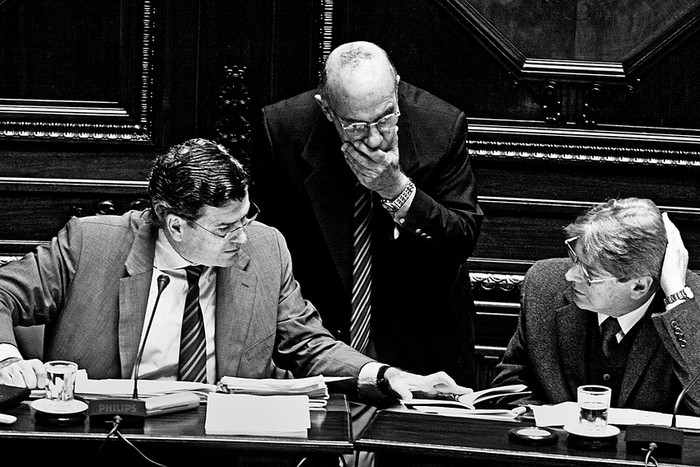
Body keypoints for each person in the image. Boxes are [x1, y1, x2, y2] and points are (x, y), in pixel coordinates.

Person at [0, 138, 468, 406]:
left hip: (223, 444)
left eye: (245, 216)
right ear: (175, 223)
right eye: (225, 227)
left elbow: (307, 342)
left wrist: (385, 374)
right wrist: (8, 362)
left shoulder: (266, 248)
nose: (243, 236)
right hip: (106, 435)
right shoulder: (92, 243)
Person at [255, 41, 483, 387]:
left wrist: (397, 191)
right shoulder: (283, 128)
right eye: (357, 127)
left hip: (425, 341)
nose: (375, 139)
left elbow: (461, 238)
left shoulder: (440, 126)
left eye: (385, 118)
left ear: (396, 87)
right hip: (319, 342)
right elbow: (268, 247)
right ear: (327, 110)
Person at [492, 197, 700, 414]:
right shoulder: (544, 285)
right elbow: (510, 386)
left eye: (588, 274)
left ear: (639, 286)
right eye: (575, 260)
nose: (570, 275)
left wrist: (677, 301)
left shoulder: (690, 308)